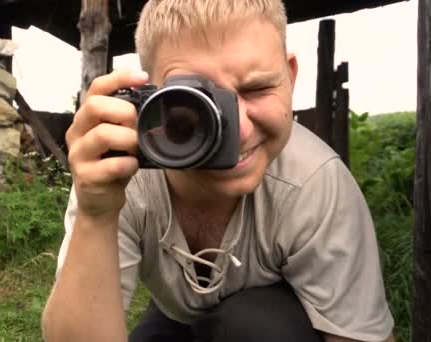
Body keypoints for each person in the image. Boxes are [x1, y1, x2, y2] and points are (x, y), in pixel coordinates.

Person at [42, 1, 395, 341]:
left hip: (276, 317)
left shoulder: (314, 183)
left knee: (252, 327)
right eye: (196, 100)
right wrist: (96, 213)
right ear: (151, 99)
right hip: (176, 313)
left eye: (257, 88)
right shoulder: (120, 167)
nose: (237, 129)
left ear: (290, 78)